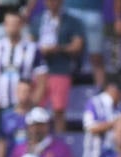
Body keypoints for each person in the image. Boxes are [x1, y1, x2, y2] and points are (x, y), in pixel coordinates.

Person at [34, 0, 85, 135]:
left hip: (60, 69)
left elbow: (77, 45)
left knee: (59, 109)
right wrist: (39, 50)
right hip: (39, 71)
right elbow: (29, 41)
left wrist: (58, 49)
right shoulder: (37, 20)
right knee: (37, 109)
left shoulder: (72, 21)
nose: (52, 3)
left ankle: (59, 142)